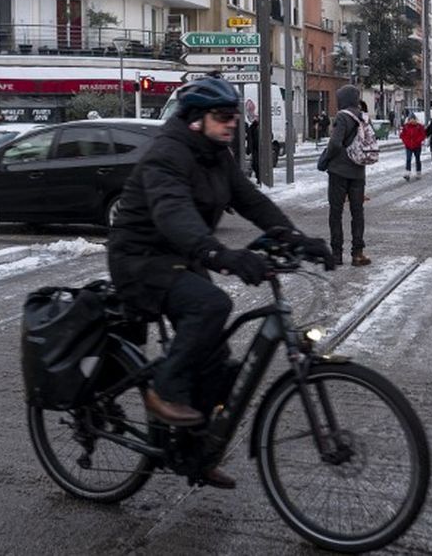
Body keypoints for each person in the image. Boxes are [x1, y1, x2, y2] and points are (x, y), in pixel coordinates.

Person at [108, 77, 330, 488]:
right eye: (224, 117)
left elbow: (251, 200)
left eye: (235, 116)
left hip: (181, 258)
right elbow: (173, 213)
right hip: (140, 259)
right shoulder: (168, 155)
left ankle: (195, 454)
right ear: (195, 120)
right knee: (210, 305)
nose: (233, 124)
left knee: (217, 363)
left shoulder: (215, 155)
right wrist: (219, 254)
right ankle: (165, 390)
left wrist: (295, 238)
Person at [321, 85, 371, 267]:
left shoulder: (342, 116)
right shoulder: (363, 117)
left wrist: (326, 158)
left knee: (336, 212)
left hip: (339, 172)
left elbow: (335, 143)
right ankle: (358, 253)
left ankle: (336, 254)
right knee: (357, 212)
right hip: (358, 171)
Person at [399, 111, 425, 180]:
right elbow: (402, 135)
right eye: (411, 119)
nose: (412, 120)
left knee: (417, 159)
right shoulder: (406, 127)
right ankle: (407, 172)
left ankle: (418, 172)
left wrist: (418, 141)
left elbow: (422, 135)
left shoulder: (419, 126)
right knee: (408, 159)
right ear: (409, 120)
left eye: (413, 119)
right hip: (408, 146)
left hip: (417, 146)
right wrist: (406, 142)